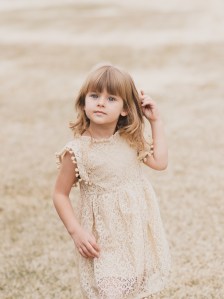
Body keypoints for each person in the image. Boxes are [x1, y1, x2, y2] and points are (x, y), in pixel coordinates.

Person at [53, 64, 171, 299]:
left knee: (136, 290)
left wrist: (155, 121)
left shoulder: (130, 140)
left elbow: (160, 162)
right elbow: (59, 194)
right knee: (111, 292)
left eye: (111, 98)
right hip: (104, 241)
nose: (100, 102)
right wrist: (76, 231)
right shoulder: (77, 152)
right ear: (83, 102)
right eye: (94, 96)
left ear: (126, 109)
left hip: (136, 233)